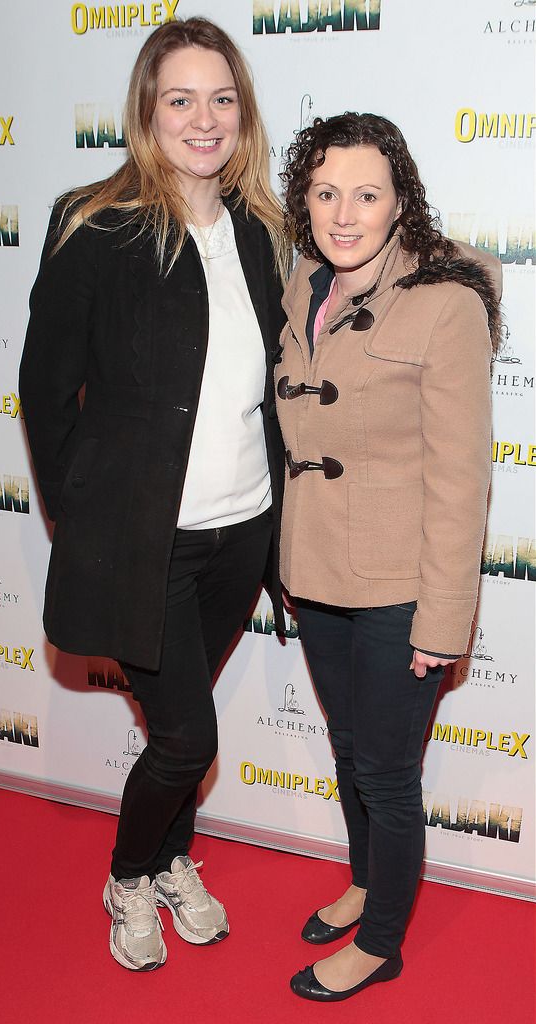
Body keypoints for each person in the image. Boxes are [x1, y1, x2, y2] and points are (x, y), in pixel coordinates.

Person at [19, 17, 289, 972]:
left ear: (243, 113)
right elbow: (45, 392)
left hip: (244, 532)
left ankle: (173, 857)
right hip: (149, 543)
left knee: (182, 731)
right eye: (180, 98)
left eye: (222, 97)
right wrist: (85, 519)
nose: (203, 118)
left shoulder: (262, 230)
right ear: (146, 111)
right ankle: (130, 876)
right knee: (186, 738)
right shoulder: (94, 225)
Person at [276, 112, 501, 1002]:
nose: (343, 213)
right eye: (325, 192)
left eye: (366, 194)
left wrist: (443, 620)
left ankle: (379, 941)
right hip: (317, 571)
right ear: (304, 199)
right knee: (344, 744)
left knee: (384, 768)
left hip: (400, 588)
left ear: (399, 200)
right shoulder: (302, 279)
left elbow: (461, 479)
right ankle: (367, 880)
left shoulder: (446, 305)